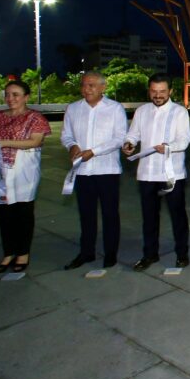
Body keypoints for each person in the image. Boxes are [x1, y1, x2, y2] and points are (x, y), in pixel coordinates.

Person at [0, 80, 51, 273]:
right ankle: (9, 252)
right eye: (8, 94)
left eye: (16, 94)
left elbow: (34, 141)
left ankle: (23, 253)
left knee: (23, 211)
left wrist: (2, 143)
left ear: (26, 97)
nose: (11, 98)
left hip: (22, 169)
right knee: (4, 212)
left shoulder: (35, 118)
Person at [122, 73, 190, 271]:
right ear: (149, 91)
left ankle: (182, 253)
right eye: (154, 91)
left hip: (172, 174)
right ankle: (150, 254)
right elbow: (133, 133)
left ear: (170, 91)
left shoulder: (179, 112)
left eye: (162, 91)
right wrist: (129, 143)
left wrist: (168, 146)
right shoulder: (142, 111)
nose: (158, 95)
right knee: (149, 216)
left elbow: (184, 140)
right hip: (147, 173)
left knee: (177, 215)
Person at [59, 71, 128, 270]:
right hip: (82, 171)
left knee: (110, 214)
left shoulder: (115, 109)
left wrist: (94, 152)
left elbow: (119, 138)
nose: (86, 89)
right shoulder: (73, 109)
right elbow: (66, 135)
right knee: (86, 214)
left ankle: (110, 253)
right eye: (84, 85)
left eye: (91, 85)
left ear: (103, 87)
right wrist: (71, 145)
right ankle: (86, 252)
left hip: (107, 170)